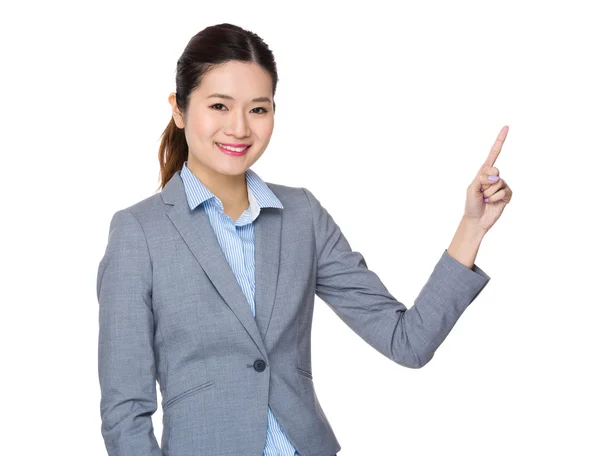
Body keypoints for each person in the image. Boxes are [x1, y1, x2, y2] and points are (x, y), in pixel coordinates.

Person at [96, 23, 512, 456]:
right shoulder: (138, 232)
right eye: (219, 105)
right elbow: (125, 411)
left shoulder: (302, 216)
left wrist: (472, 227)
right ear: (179, 110)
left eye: (258, 109)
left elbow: (407, 341)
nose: (239, 128)